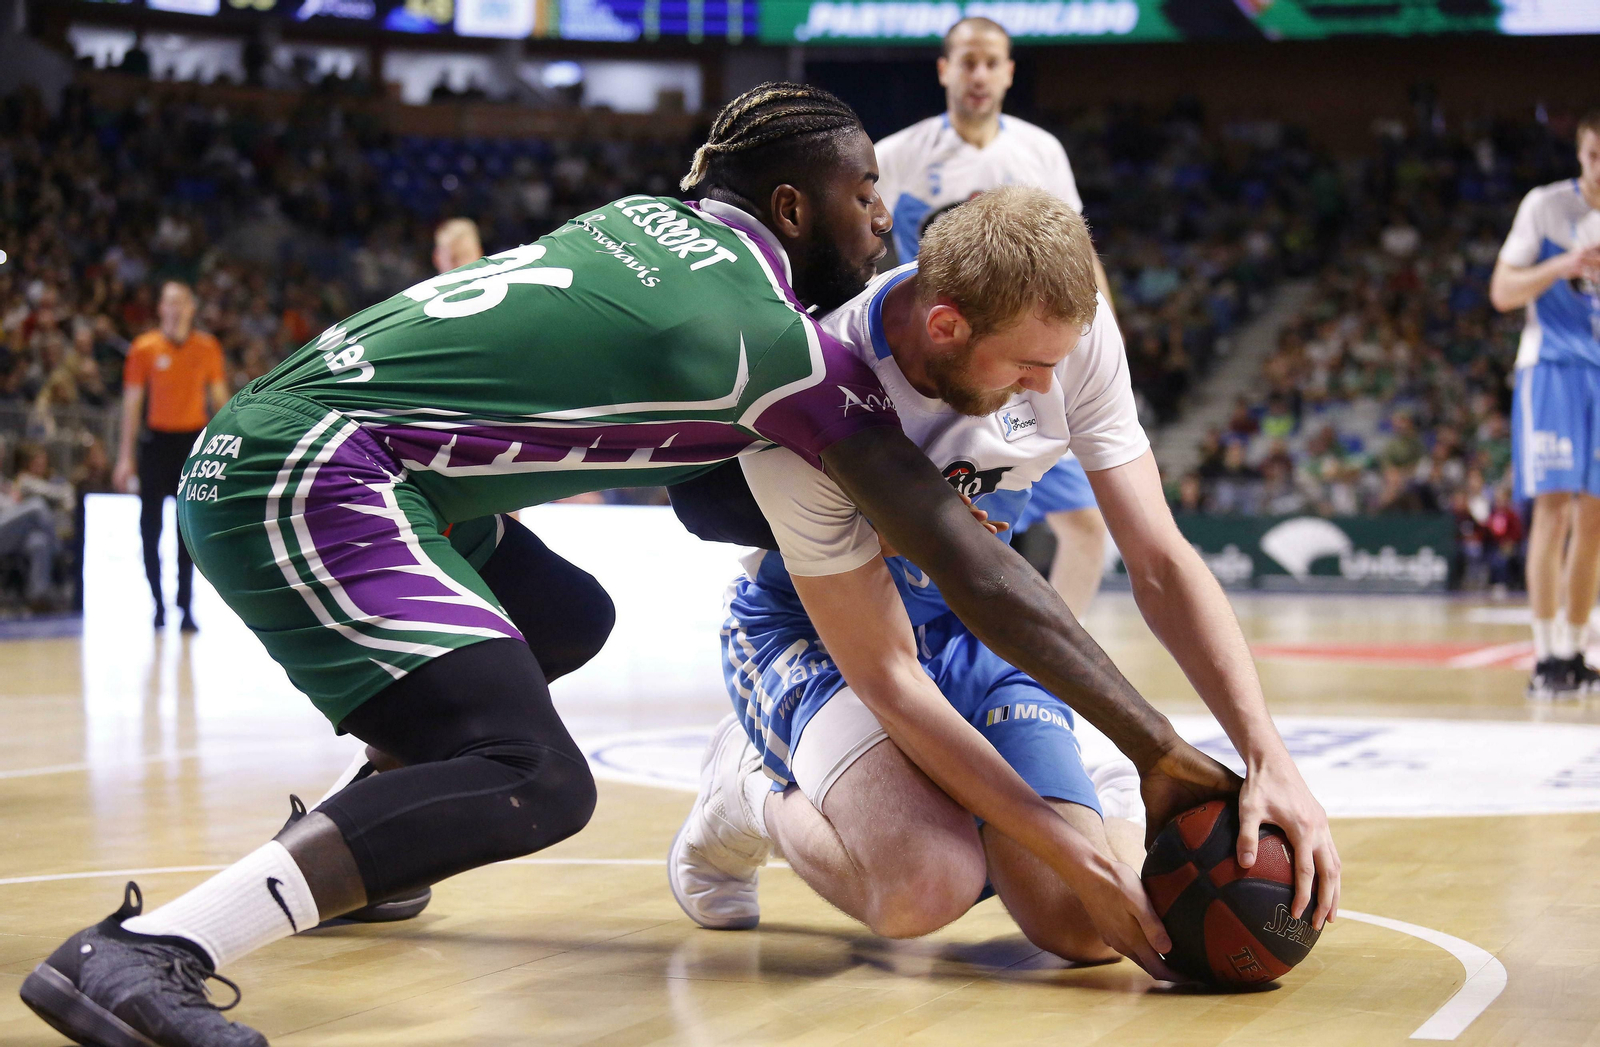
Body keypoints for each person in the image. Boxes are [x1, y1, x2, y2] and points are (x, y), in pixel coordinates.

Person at [21, 84, 1232, 1047]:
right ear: (794, 208)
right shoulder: (768, 340)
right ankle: (149, 951)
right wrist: (1162, 754)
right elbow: (971, 565)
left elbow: (707, 496)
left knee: (563, 616)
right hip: (314, 474)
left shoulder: (643, 230)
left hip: (351, 455)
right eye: (865, 195)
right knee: (531, 776)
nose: (885, 219)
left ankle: (361, 845)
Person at [667, 187, 1338, 964]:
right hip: (821, 634)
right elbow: (888, 674)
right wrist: (1072, 850)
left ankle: (1080, 787)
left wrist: (1267, 754)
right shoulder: (818, 380)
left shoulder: (1069, 342)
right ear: (946, 326)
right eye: (1028, 365)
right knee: (925, 882)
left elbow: (1159, 559)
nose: (1048, 387)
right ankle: (746, 784)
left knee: (1082, 930)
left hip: (977, 625)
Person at [874, 16, 1113, 616]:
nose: (978, 74)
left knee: (1087, 528)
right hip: (939, 369)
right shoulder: (897, 156)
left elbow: (1078, 257)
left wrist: (1109, 345)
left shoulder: (1040, 151)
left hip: (1022, 378)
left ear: (1008, 73)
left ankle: (1050, 666)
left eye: (991, 63)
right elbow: (862, 260)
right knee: (916, 532)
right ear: (944, 70)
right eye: (967, 61)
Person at [1490, 111, 1600, 699]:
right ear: (1580, 154)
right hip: (1553, 369)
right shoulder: (1546, 207)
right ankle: (1544, 654)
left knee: (1595, 519)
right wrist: (1564, 265)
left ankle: (1577, 651)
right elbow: (1502, 292)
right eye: (1593, 157)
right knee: (1553, 509)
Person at [112, 281, 228, 632]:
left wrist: (227, 449)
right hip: (155, 443)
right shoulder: (144, 348)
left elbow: (221, 403)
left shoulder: (207, 347)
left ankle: (186, 605)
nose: (176, 309)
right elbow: (132, 405)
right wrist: (124, 457)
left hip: (192, 445)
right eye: (169, 302)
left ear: (192, 308)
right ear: (160, 308)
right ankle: (158, 604)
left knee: (186, 531)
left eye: (182, 302)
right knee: (150, 528)